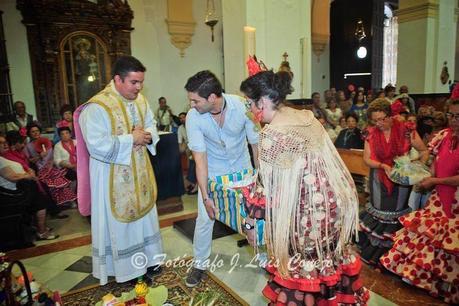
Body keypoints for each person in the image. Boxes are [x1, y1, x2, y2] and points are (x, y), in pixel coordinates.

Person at [239, 70, 368, 305]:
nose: (249, 110)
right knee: (328, 262)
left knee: (306, 270)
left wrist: (249, 220)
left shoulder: (272, 135)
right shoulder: (307, 117)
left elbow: (266, 189)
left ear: (264, 101)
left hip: (305, 216)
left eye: (250, 103)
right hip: (333, 206)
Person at [74, 55, 163, 285]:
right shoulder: (97, 107)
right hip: (111, 175)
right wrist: (129, 139)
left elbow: (152, 124)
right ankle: (128, 271)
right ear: (118, 79)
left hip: (139, 170)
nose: (139, 87)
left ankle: (150, 260)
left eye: (141, 82)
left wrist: (148, 135)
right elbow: (96, 145)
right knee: (121, 223)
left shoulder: (141, 101)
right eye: (134, 82)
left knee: (144, 217)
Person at [380, 96, 459, 304]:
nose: (453, 120)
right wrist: (416, 171)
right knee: (429, 237)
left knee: (450, 242)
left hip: (456, 201)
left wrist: (435, 179)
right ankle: (425, 279)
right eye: (451, 115)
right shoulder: (442, 136)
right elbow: (431, 161)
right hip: (437, 196)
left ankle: (445, 285)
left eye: (458, 116)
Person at [183, 70, 259, 287]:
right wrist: (206, 196)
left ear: (212, 98)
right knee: (205, 219)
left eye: (195, 100)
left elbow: (256, 146)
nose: (191, 105)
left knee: (254, 217)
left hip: (243, 170)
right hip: (213, 173)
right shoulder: (193, 117)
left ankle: (263, 258)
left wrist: (259, 181)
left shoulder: (243, 107)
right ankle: (199, 263)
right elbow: (200, 159)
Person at [358, 99, 429, 265]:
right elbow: (367, 159)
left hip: (401, 179)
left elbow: (424, 150)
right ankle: (376, 255)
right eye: (375, 120)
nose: (379, 123)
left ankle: (395, 257)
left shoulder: (406, 130)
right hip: (379, 177)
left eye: (383, 118)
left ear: (391, 115)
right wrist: (383, 165)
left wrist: (418, 165)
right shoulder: (370, 133)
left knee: (397, 213)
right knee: (380, 212)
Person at [0, 133, 58, 240]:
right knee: (40, 201)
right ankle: (42, 231)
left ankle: (41, 227)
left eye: (5, 143)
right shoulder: (3, 158)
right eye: (1, 143)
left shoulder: (4, 157)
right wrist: (29, 175)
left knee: (41, 195)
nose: (5, 145)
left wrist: (29, 173)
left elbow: (23, 166)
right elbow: (12, 177)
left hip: (21, 187)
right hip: (14, 192)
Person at [25, 123, 77, 207]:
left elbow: (53, 157)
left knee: (64, 178)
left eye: (37, 131)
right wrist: (39, 156)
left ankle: (70, 200)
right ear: (29, 134)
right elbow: (28, 161)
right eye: (33, 132)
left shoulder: (47, 142)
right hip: (40, 169)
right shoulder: (28, 146)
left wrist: (50, 165)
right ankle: (58, 203)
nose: (35, 133)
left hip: (52, 168)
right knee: (52, 181)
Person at [177, 112, 197, 194]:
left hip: (197, 147)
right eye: (180, 118)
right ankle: (192, 182)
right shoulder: (180, 128)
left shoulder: (193, 125)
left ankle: (193, 184)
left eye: (183, 117)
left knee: (193, 161)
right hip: (189, 147)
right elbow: (180, 144)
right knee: (189, 159)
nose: (182, 119)